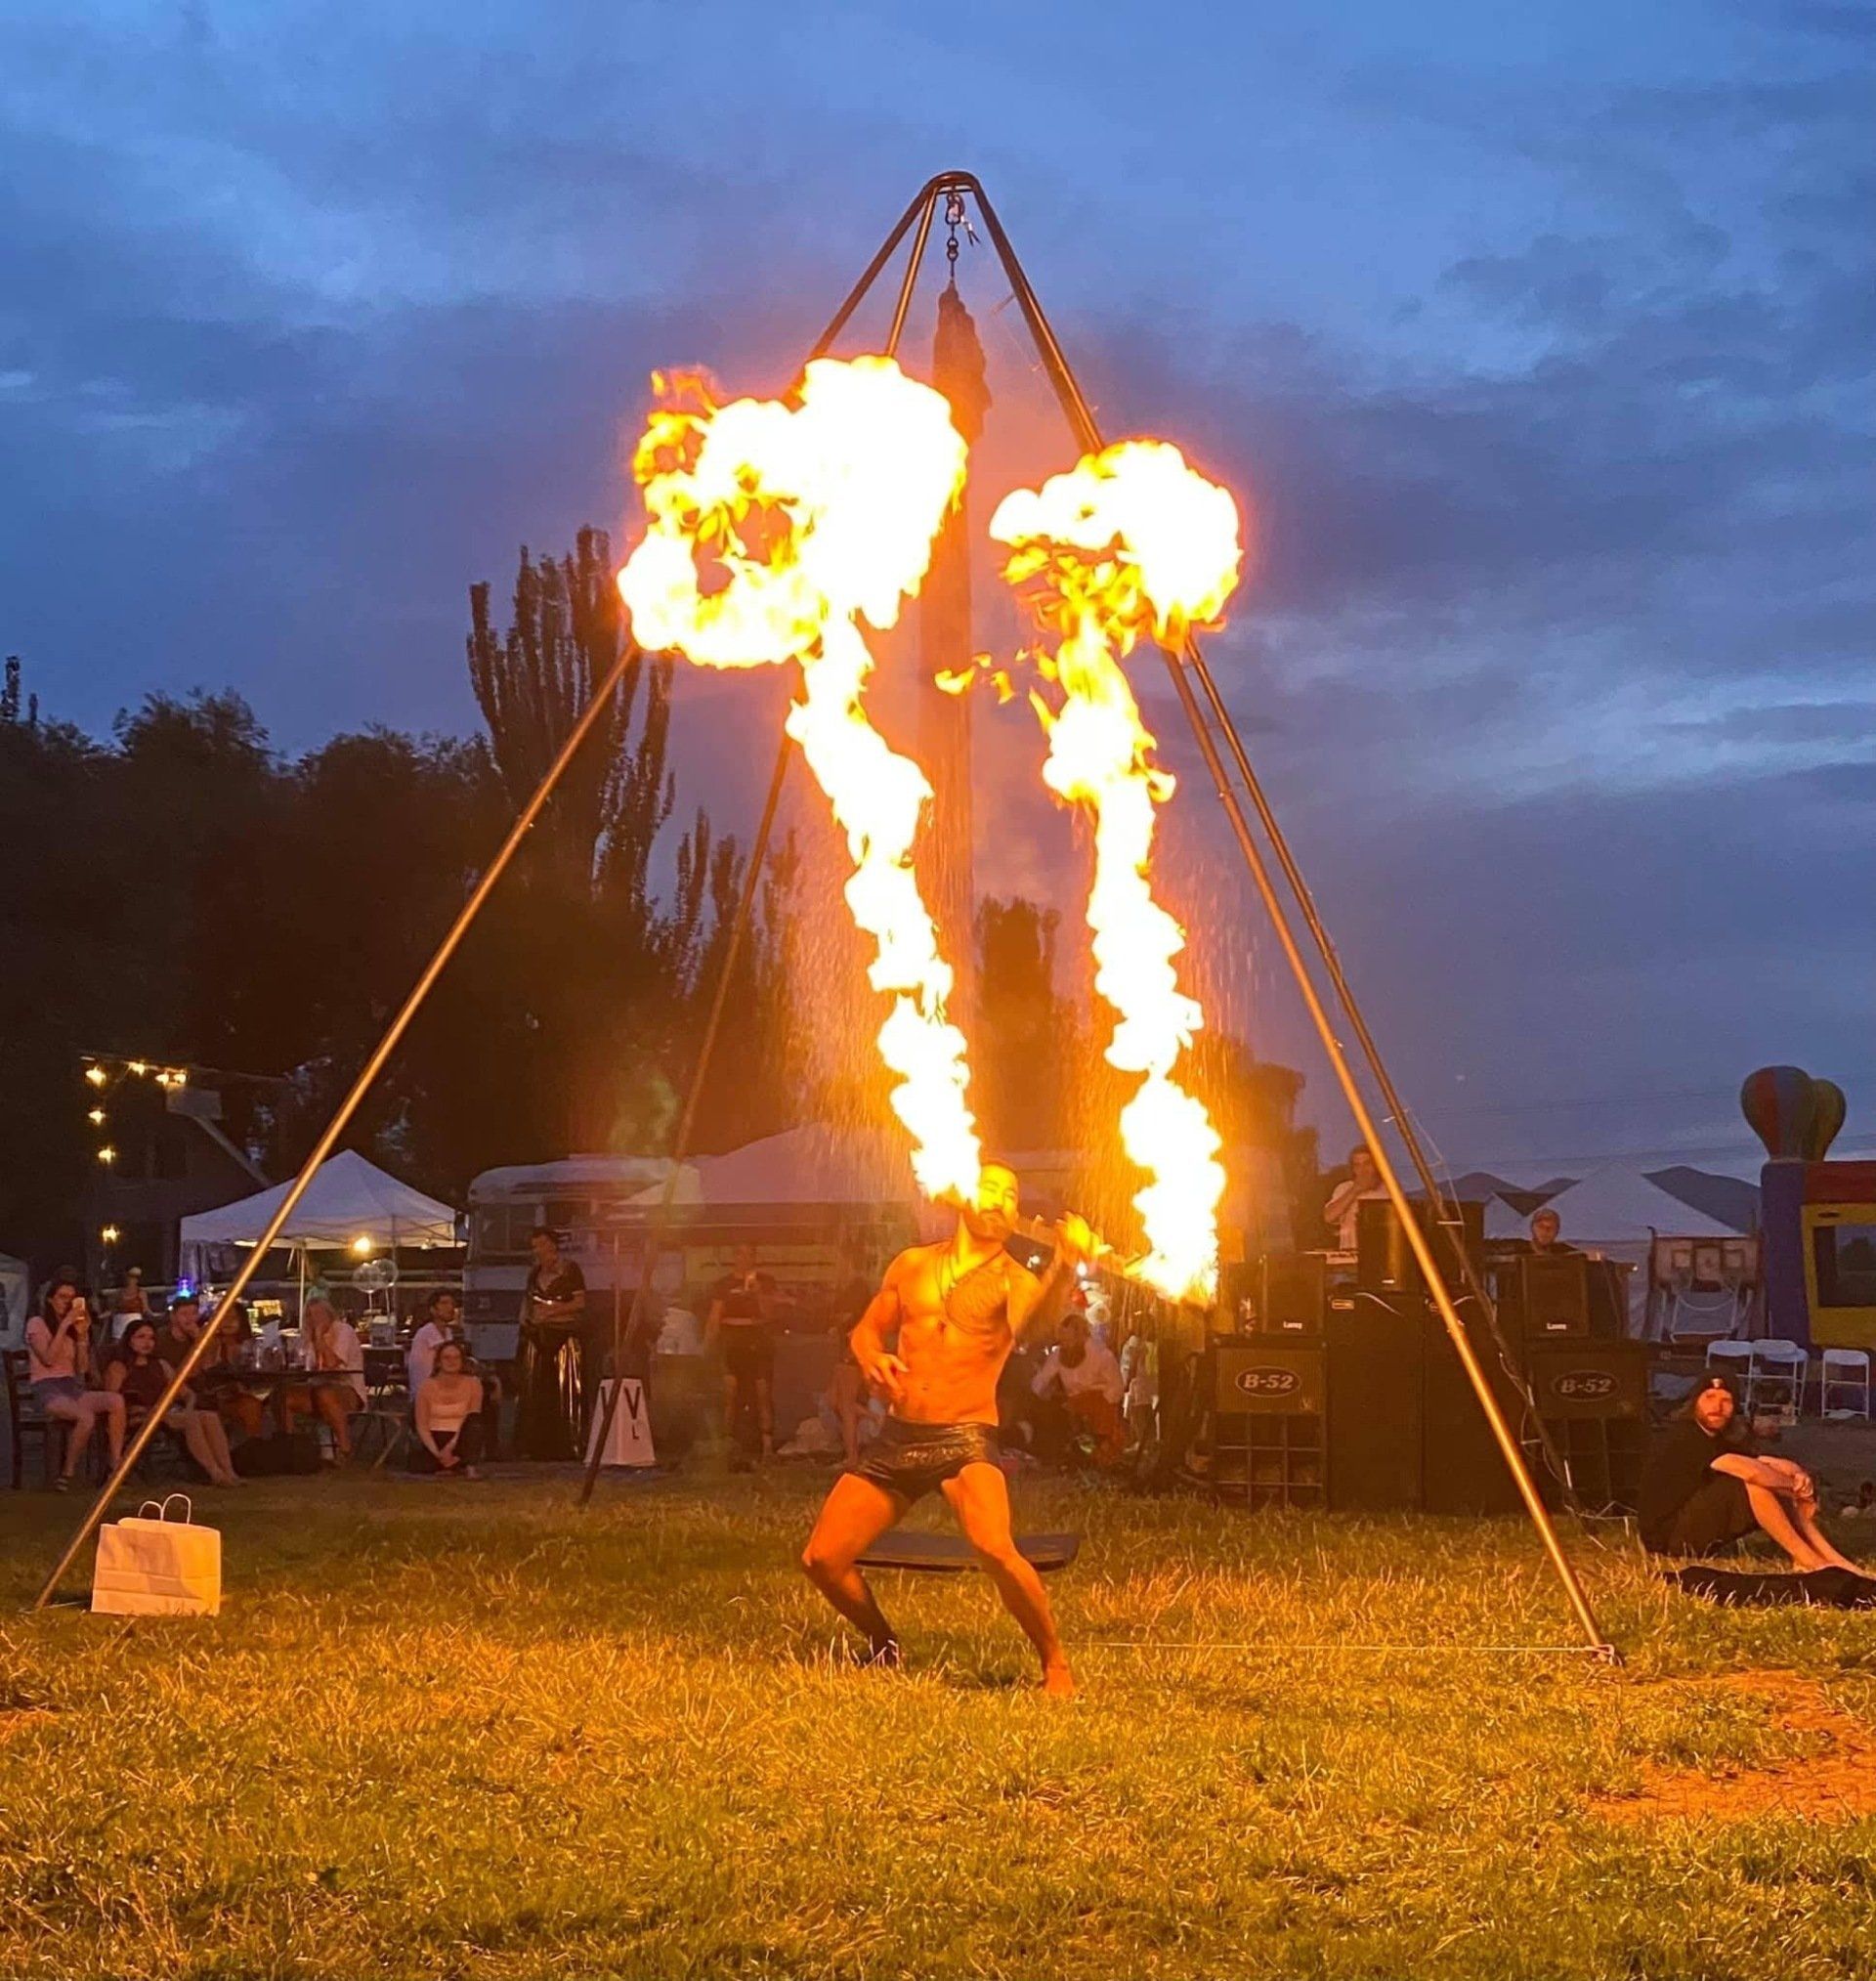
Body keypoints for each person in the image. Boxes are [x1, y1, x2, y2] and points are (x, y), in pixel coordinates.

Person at [800, 1160, 1092, 1694]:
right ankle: (884, 1645)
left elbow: (1036, 1327)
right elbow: (866, 1330)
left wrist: (1065, 1265)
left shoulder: (1015, 1280)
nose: (999, 1199)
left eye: (1010, 1194)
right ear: (962, 1196)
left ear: (1016, 1215)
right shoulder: (911, 1264)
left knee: (994, 1548)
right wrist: (871, 1358)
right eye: (989, 1188)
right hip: (899, 1435)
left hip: (965, 1437)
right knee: (822, 1558)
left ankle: (1056, 1665)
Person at [1640, 1375, 1865, 1572]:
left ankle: (1832, 1558)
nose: (1717, 1407)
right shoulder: (1686, 1434)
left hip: (1690, 1529)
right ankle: (1808, 1560)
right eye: (1709, 1397)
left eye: (1726, 1400)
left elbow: (1764, 1462)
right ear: (1694, 1402)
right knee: (1753, 1484)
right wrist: (1796, 1489)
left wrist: (1798, 1474)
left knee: (1768, 1479)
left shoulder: (1717, 1439)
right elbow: (1750, 1471)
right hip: (1667, 1539)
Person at [105, 1316, 241, 1486]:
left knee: (209, 1416)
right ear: (129, 1340)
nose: (147, 1342)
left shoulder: (161, 1365)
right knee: (191, 1420)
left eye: (151, 1338)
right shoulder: (118, 1367)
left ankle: (229, 1471)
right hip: (139, 1414)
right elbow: (112, 1399)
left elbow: (186, 1393)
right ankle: (215, 1472)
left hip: (166, 1412)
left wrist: (189, 1406)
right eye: (141, 1337)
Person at [24, 1278, 126, 1490]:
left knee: (115, 1401)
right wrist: (64, 1325)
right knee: (85, 1417)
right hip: (47, 1388)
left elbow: (81, 1368)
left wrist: (81, 1336)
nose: (66, 1302)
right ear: (51, 1299)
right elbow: (48, 1359)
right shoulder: (37, 1324)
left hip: (71, 1386)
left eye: (71, 1298)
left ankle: (115, 1465)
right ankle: (67, 1472)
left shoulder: (73, 1330)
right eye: (62, 1297)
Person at [515, 1227, 587, 1460]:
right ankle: (536, 1444)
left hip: (563, 1335)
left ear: (553, 1245)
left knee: (564, 1388)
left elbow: (580, 1302)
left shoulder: (570, 1270)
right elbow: (528, 1300)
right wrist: (526, 1319)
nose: (539, 1250)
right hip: (538, 1335)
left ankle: (567, 1443)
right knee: (538, 1389)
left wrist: (553, 1310)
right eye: (535, 1246)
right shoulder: (535, 1273)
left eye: (543, 1244)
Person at [706, 1244, 778, 1464]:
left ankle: (767, 1447)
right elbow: (715, 1317)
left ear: (755, 1257)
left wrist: (758, 1293)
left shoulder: (766, 1282)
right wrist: (707, 1345)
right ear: (734, 1256)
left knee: (762, 1393)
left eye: (750, 1254)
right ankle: (727, 1443)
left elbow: (770, 1314)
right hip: (732, 1341)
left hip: (757, 1340)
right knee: (730, 1393)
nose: (745, 1259)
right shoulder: (724, 1285)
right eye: (741, 1254)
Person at [405, 1288, 500, 1451]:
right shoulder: (428, 1332)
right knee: (484, 1395)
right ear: (433, 1310)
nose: (450, 1307)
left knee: (484, 1393)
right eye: (444, 1303)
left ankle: (483, 1447)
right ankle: (483, 1449)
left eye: (451, 1303)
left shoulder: (447, 1333)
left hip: (446, 1387)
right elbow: (456, 1362)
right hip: (426, 1395)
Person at [1030, 1310, 1127, 1467]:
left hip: (1101, 1405)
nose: (1065, 1345)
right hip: (1073, 1405)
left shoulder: (1102, 1355)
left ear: (1081, 1336)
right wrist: (1033, 1397)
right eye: (1062, 1341)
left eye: (1068, 1340)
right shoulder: (1058, 1355)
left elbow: (1116, 1387)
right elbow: (1040, 1382)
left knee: (1102, 1442)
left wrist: (1099, 1404)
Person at [282, 1297, 365, 1463]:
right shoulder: (308, 1336)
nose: (315, 1319)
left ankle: (345, 1448)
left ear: (329, 1313)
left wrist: (320, 1338)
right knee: (283, 1396)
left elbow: (332, 1363)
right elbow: (308, 1366)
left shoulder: (343, 1331)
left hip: (348, 1389)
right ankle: (290, 1447)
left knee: (325, 1394)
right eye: (311, 1315)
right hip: (317, 1386)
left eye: (319, 1314)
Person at [826, 1244, 876, 1468]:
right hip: (844, 1350)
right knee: (833, 1400)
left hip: (852, 1351)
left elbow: (853, 1318)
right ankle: (872, 1418)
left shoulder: (857, 1288)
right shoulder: (848, 1287)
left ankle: (852, 1456)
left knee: (846, 1404)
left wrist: (838, 1325)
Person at [411, 1339, 486, 1479]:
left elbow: (473, 1415)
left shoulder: (473, 1384)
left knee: (475, 1423)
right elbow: (422, 1426)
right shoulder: (426, 1387)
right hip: (435, 1438)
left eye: (456, 1358)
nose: (452, 1361)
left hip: (460, 1438)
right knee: (423, 1462)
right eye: (447, 1358)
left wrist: (450, 1447)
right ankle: (444, 1463)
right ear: (438, 1362)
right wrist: (438, 1453)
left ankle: (468, 1467)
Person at [1323, 1144, 1386, 1251]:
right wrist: (1355, 1190)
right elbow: (1329, 1217)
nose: (1363, 1170)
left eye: (1367, 1163)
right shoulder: (1344, 1188)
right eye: (1357, 1165)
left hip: (1380, 1253)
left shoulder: (1390, 1191)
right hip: (1351, 1254)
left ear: (1377, 1165)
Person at [110, 1267, 152, 1339]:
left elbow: (146, 1309)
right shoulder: (118, 1293)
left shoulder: (141, 1293)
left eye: (134, 1278)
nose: (131, 1280)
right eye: (130, 1277)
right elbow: (113, 1309)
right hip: (120, 1322)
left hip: (135, 1321)